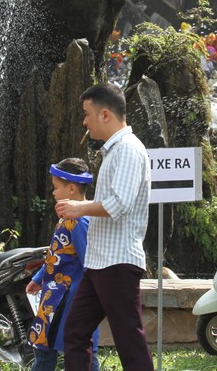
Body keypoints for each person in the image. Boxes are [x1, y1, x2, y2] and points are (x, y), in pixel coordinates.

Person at [56, 82, 154, 371]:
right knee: (74, 331)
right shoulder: (115, 150)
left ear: (106, 115)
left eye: (87, 114)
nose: (84, 122)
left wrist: (79, 208)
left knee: (129, 341)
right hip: (100, 262)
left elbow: (120, 203)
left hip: (118, 262)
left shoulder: (127, 149)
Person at [26, 158, 100, 371]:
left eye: (56, 187)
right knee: (45, 348)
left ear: (72, 189)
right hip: (54, 296)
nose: (53, 193)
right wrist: (39, 278)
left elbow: (89, 262)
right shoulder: (67, 218)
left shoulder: (80, 222)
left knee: (76, 349)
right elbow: (56, 255)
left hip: (67, 299)